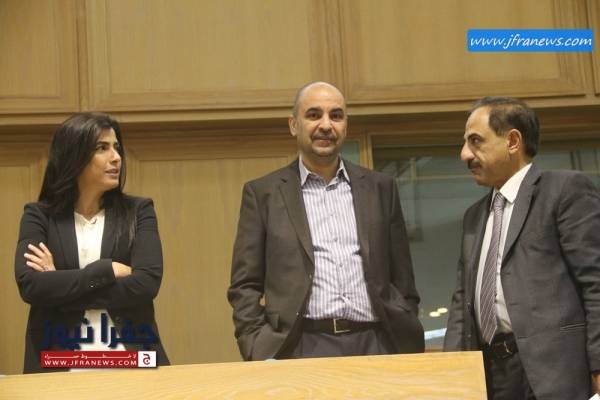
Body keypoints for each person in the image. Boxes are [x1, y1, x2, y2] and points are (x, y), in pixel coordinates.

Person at [227, 81, 424, 361]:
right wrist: (255, 344)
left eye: (336, 115)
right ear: (294, 125)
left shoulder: (381, 188)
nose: (326, 125)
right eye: (313, 115)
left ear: (346, 125)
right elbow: (244, 285)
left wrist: (406, 324)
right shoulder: (263, 194)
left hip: (377, 343)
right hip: (300, 347)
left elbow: (403, 279)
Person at [444, 97, 600, 400]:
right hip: (491, 377)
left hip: (556, 374)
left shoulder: (564, 191)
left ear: (513, 141)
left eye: (475, 141)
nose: (465, 154)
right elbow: (462, 302)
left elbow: (596, 282)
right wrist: (452, 374)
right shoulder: (473, 217)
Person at [15, 112, 169, 373]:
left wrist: (60, 286)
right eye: (102, 148)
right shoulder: (39, 216)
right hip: (59, 362)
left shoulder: (139, 211)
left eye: (116, 147)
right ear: (73, 156)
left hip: (132, 360)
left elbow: (146, 284)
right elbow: (31, 286)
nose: (116, 157)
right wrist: (105, 270)